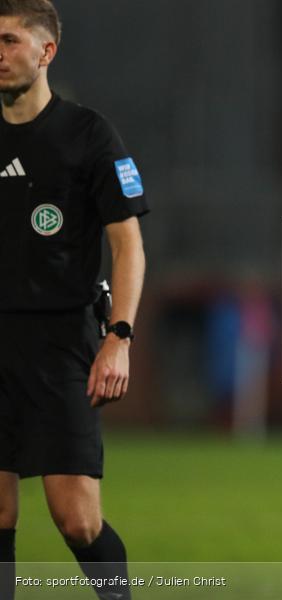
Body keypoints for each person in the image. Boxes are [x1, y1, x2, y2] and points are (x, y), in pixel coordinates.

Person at [0, 1, 148, 598]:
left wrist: (119, 337)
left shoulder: (88, 135)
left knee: (77, 521)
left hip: (63, 345)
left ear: (46, 52)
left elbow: (129, 247)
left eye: (9, 41)